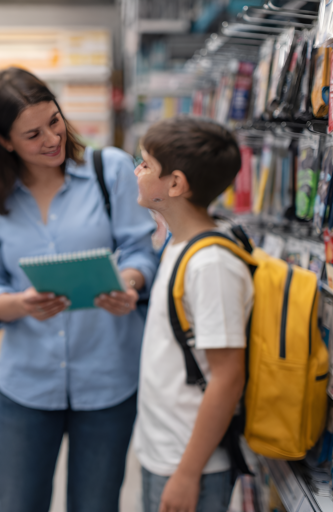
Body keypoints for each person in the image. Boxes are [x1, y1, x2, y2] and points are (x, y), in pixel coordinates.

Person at [0, 67, 158, 512]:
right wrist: (16, 304)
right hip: (28, 385)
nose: (52, 138)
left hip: (108, 378)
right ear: (3, 141)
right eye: (32, 134)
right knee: (17, 503)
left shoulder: (109, 171)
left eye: (54, 120)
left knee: (96, 503)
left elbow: (139, 250)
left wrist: (129, 282)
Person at [133, 118, 251, 512]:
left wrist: (187, 473)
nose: (137, 171)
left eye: (146, 164)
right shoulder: (178, 246)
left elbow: (228, 376)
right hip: (165, 450)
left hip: (191, 464)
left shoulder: (210, 265)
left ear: (176, 184)